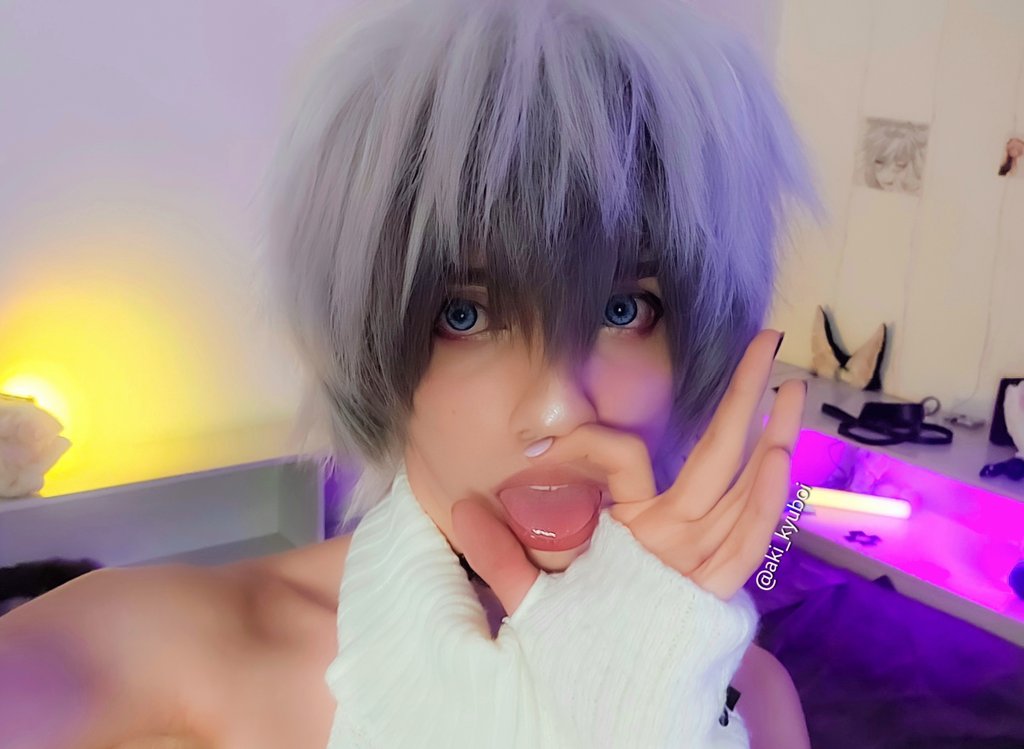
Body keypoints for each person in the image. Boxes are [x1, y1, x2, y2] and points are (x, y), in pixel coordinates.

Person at [0, 0, 822, 746]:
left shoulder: (749, 699)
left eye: (621, 309)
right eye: (464, 315)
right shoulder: (176, 654)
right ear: (368, 341)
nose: (555, 407)